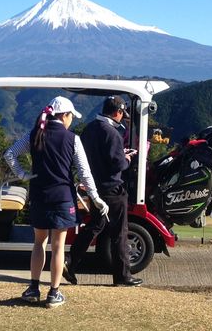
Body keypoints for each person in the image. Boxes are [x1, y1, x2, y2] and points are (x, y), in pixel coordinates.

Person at [3, 96, 109, 308]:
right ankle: (54, 293)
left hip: (39, 196)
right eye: (71, 116)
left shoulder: (34, 134)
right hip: (63, 198)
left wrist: (23, 175)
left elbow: (10, 154)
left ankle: (33, 288)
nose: (72, 120)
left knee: (38, 243)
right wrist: (96, 198)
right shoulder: (72, 139)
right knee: (58, 246)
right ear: (65, 115)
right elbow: (84, 173)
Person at [63, 95, 143, 287]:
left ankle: (70, 262)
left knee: (95, 226)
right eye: (122, 113)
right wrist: (127, 159)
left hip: (95, 187)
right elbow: (117, 164)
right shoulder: (112, 133)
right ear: (117, 112)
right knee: (119, 232)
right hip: (112, 189)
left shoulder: (90, 129)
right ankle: (122, 276)